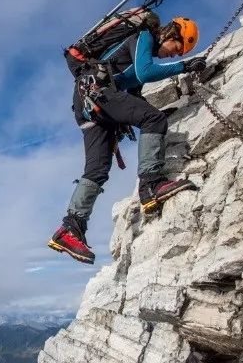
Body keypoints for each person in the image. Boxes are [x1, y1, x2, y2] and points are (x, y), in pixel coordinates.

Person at [49, 17, 207, 264]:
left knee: (97, 169)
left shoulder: (135, 56)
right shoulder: (143, 36)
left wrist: (151, 111)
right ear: (170, 35)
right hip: (98, 95)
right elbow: (146, 72)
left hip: (87, 105)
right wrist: (184, 67)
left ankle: (70, 229)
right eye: (176, 50)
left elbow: (134, 94)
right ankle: (151, 184)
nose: (171, 57)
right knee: (153, 120)